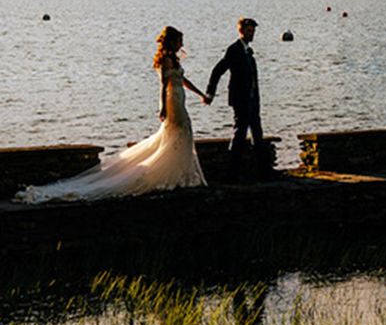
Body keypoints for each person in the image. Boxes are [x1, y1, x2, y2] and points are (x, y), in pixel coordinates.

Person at [15, 26, 207, 204]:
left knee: (183, 134)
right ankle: (173, 175)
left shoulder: (174, 59)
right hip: (172, 100)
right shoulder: (165, 59)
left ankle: (181, 174)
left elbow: (182, 80)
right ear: (172, 41)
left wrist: (200, 94)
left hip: (180, 97)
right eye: (179, 40)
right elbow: (164, 84)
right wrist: (163, 107)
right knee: (179, 132)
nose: (182, 44)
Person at [204, 17, 265, 181]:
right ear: (242, 31)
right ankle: (232, 172)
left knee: (258, 135)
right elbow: (218, 70)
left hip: (253, 101)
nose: (252, 34)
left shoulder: (249, 51)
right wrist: (210, 92)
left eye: (253, 31)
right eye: (249, 30)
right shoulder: (234, 50)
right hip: (240, 100)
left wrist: (257, 100)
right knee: (240, 134)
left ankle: (263, 171)